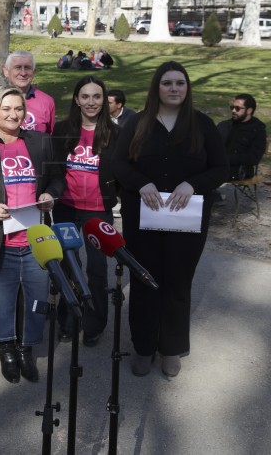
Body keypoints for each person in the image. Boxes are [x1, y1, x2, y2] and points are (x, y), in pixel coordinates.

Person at [112, 61, 228, 378]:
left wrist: (194, 184)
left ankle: (171, 348)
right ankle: (144, 346)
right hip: (143, 218)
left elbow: (221, 169)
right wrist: (141, 183)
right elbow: (118, 164)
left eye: (180, 83)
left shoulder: (203, 125)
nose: (174, 89)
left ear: (187, 88)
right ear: (157, 88)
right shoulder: (137, 123)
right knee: (145, 280)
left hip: (186, 221)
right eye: (167, 83)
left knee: (177, 283)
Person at [0, 86, 60, 384]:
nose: (13, 114)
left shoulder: (41, 141)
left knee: (34, 296)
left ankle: (26, 349)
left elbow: (57, 178)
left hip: (35, 239)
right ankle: (7, 349)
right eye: (6, 109)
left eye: (18, 109)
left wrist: (50, 194)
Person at [52, 75, 119, 347]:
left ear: (104, 100)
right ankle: (68, 320)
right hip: (66, 208)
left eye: (97, 97)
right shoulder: (62, 130)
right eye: (85, 96)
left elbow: (123, 171)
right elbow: (54, 167)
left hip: (98, 210)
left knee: (97, 269)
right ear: (77, 100)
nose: (91, 102)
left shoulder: (115, 134)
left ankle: (94, 323)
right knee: (68, 265)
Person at [0, 50, 55, 134]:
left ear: (34, 72)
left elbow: (49, 138)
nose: (23, 73)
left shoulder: (47, 102)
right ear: (6, 71)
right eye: (18, 67)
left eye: (27, 68)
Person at [216, 94, 267, 180]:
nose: (233, 110)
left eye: (238, 108)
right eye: (232, 107)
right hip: (217, 165)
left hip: (240, 170)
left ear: (249, 110)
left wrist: (226, 159)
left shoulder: (258, 130)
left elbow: (253, 158)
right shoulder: (224, 125)